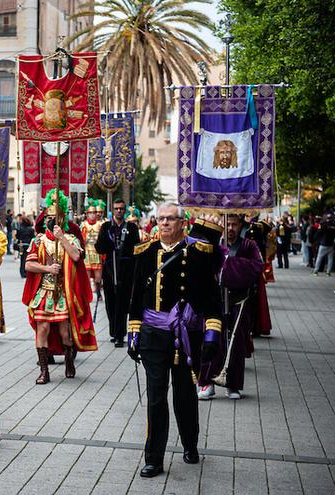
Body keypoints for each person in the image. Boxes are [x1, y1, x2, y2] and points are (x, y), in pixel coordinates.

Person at [127, 202, 221, 478]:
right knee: (156, 397)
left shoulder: (199, 253)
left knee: (185, 396)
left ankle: (190, 443)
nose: (165, 223)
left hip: (188, 337)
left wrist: (212, 333)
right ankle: (154, 457)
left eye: (171, 219)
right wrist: (133, 332)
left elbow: (211, 299)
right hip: (153, 335)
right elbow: (136, 299)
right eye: (161, 219)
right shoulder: (146, 252)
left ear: (183, 223)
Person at [22, 189, 97, 384]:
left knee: (65, 332)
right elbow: (28, 265)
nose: (51, 219)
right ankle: (44, 371)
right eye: (48, 216)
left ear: (62, 217)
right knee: (43, 329)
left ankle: (69, 361)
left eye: (55, 216)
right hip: (44, 292)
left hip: (64, 292)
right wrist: (47, 268)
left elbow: (77, 257)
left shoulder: (70, 239)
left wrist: (62, 238)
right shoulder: (38, 241)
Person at [197, 215, 264, 401]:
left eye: (235, 224)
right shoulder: (213, 244)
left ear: (240, 225)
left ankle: (233, 384)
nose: (231, 228)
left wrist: (228, 264)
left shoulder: (248, 245)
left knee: (236, 343)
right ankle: (207, 383)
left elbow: (257, 266)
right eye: (228, 224)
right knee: (211, 341)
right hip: (215, 301)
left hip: (239, 302)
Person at [95, 198, 140, 347]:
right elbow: (99, 247)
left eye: (121, 209)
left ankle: (120, 335)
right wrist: (109, 243)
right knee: (110, 303)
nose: (119, 211)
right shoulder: (106, 227)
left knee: (123, 302)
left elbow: (136, 248)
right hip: (110, 268)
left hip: (126, 269)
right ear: (112, 210)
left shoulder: (132, 228)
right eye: (116, 209)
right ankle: (113, 332)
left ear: (125, 210)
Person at [80, 202, 103, 300]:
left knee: (98, 277)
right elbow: (80, 239)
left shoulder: (100, 224)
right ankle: (86, 295)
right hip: (87, 252)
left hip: (97, 253)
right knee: (86, 276)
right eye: (90, 213)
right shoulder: (83, 225)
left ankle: (98, 293)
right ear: (87, 214)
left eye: (94, 213)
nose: (92, 215)